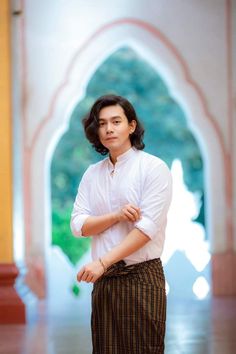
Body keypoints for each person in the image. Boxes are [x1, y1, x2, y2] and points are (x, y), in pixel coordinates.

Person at [70, 94, 172, 354]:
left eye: (116, 121)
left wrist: (103, 262)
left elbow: (146, 229)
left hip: (141, 275)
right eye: (102, 123)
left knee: (143, 349)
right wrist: (115, 216)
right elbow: (78, 225)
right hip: (104, 282)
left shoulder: (154, 168)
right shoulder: (92, 174)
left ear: (132, 126)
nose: (108, 129)